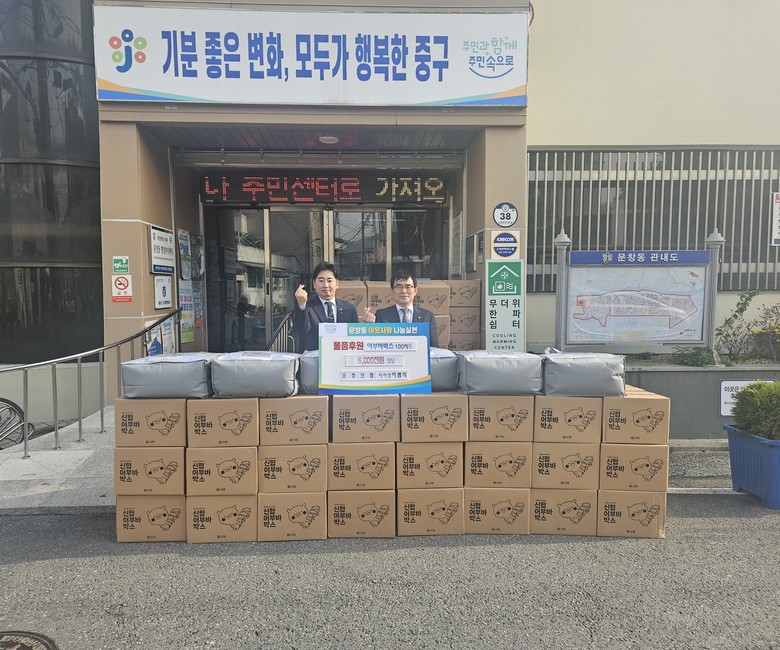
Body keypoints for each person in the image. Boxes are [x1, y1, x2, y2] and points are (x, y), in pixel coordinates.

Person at [293, 261, 375, 352]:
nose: (326, 285)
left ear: (337, 284)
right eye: (321, 281)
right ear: (314, 284)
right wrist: (302, 305)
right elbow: (301, 330)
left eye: (329, 281)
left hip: (342, 357)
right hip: (316, 358)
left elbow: (356, 337)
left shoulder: (349, 308)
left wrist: (367, 325)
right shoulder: (308, 307)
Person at [374, 270, 439, 349]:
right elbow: (377, 346)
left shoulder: (428, 316)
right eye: (399, 287)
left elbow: (435, 348)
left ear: (415, 290)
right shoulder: (382, 315)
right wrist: (368, 325)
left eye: (408, 287)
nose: (404, 291)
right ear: (392, 290)